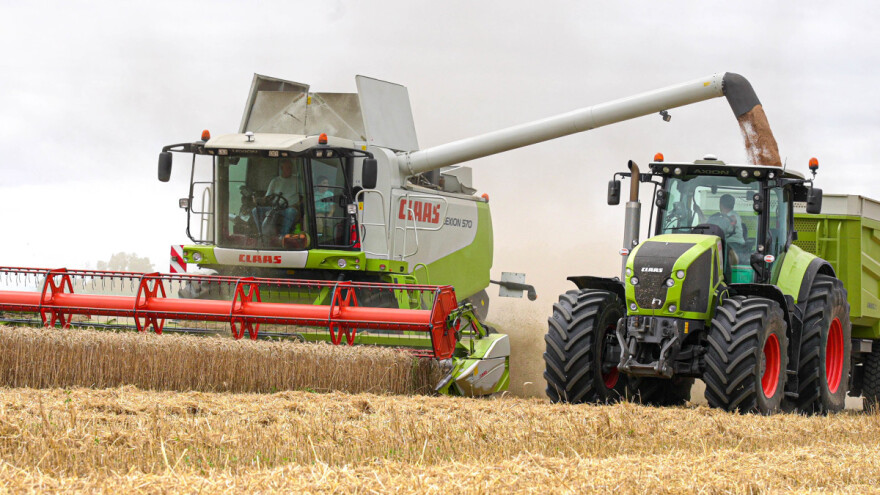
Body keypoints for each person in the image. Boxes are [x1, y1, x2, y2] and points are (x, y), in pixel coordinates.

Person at [253, 159, 302, 236]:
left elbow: (304, 197)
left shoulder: (297, 181)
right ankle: (261, 234)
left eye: (291, 168)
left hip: (290, 208)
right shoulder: (275, 181)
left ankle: (283, 236)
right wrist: (258, 200)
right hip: (275, 208)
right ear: (282, 168)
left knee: (291, 212)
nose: (290, 170)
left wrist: (297, 205)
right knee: (255, 210)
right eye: (288, 168)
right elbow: (267, 197)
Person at [695, 193, 746, 258]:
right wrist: (699, 212)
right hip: (732, 245)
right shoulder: (728, 216)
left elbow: (710, 227)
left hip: (733, 245)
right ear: (733, 205)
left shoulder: (731, 217)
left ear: (720, 204)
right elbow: (707, 224)